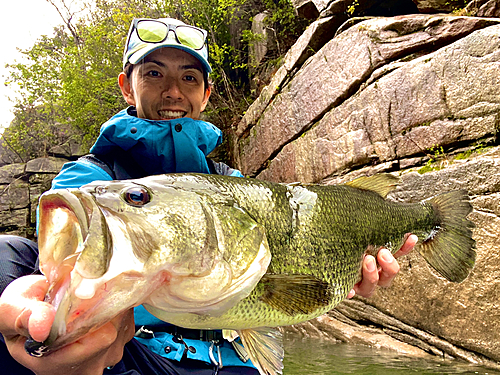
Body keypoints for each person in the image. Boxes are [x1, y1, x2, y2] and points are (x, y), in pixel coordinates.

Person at [0, 17, 417, 375]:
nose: (173, 91)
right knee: (9, 254)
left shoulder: (232, 182)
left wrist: (343, 277)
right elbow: (57, 277)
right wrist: (44, 337)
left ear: (206, 94)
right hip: (132, 357)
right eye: (154, 73)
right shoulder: (90, 181)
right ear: (127, 87)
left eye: (189, 78)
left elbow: (294, 291)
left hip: (234, 360)